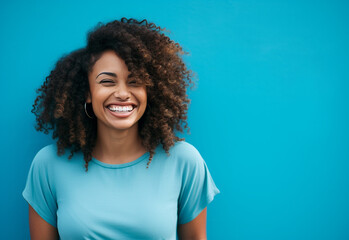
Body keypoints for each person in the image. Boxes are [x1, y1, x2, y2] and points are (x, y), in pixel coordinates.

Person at [23, 18, 220, 240]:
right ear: (87, 92)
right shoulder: (48, 165)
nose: (123, 93)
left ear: (150, 91)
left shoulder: (184, 162)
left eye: (135, 81)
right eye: (107, 82)